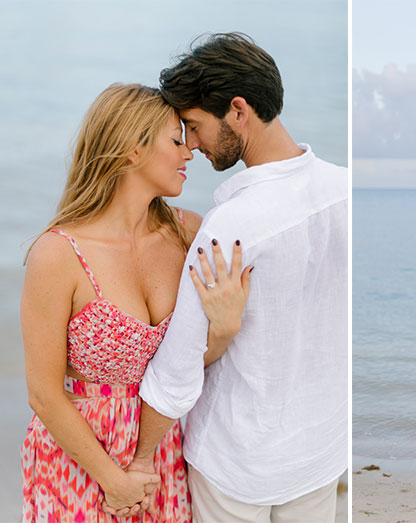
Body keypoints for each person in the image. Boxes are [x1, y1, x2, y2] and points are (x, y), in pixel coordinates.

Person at [104, 33, 348, 522]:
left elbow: (176, 372)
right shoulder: (345, 190)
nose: (191, 144)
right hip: (320, 451)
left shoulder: (233, 225)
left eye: (194, 126)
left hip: (239, 463)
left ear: (238, 110)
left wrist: (142, 459)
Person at [20, 83, 251, 522]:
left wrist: (224, 329)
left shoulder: (188, 234)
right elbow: (44, 394)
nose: (189, 153)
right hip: (79, 462)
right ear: (131, 151)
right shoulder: (59, 253)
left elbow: (188, 361)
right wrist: (115, 480)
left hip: (163, 452)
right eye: (176, 140)